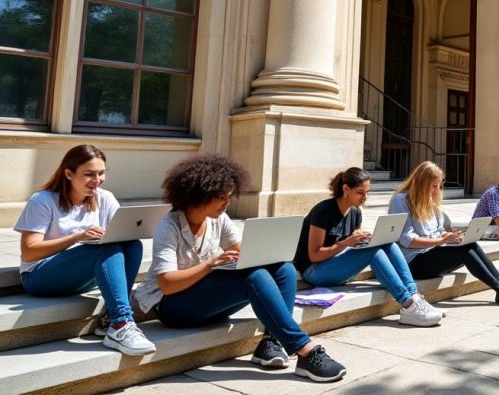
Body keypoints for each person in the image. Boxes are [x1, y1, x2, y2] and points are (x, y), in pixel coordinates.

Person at [133, 154, 346, 382]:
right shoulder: (169, 226)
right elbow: (167, 284)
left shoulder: (218, 219)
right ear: (198, 194)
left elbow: (245, 252)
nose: (227, 203)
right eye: (220, 197)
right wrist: (210, 264)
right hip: (172, 308)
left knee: (282, 269)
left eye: (229, 196)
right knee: (254, 277)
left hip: (206, 302)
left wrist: (269, 252)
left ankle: (270, 342)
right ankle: (304, 349)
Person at [14, 144, 155, 355]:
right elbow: (29, 252)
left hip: (80, 276)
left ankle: (111, 319)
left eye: (101, 173)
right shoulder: (43, 201)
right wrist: (77, 237)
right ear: (69, 173)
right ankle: (121, 324)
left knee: (132, 245)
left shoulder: (104, 198)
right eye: (89, 174)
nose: (96, 180)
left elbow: (120, 235)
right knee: (103, 249)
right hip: (39, 277)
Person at [294, 167, 443, 327]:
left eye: (367, 192)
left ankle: (414, 297)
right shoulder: (323, 211)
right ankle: (407, 304)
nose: (365, 197)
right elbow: (314, 256)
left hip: (336, 265)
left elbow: (350, 247)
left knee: (387, 242)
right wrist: (346, 242)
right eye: (360, 192)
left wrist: (363, 240)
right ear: (345, 189)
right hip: (314, 271)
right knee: (374, 252)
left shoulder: (355, 212)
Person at [389, 161, 499, 304]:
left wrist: (449, 236)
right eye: (433, 186)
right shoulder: (401, 200)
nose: (436, 190)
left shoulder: (430, 200)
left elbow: (438, 231)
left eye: (438, 186)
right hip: (413, 261)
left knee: (471, 244)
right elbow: (407, 240)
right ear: (421, 183)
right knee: (464, 251)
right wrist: (441, 241)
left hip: (432, 253)